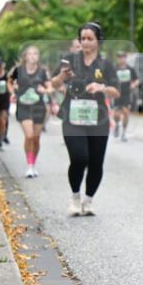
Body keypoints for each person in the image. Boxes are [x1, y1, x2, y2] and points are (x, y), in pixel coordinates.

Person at [49, 23, 120, 216]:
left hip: (98, 119)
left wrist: (101, 87)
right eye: (83, 38)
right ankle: (74, 198)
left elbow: (116, 91)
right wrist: (61, 76)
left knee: (96, 162)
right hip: (72, 117)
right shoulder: (69, 60)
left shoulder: (106, 64)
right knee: (79, 157)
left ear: (98, 41)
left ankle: (88, 201)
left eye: (90, 38)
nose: (85, 42)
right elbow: (53, 84)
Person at [8, 46, 51, 177]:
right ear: (25, 57)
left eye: (35, 54)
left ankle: (33, 164)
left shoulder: (42, 71)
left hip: (38, 107)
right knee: (29, 136)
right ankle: (29, 165)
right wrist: (12, 93)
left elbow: (50, 88)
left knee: (36, 139)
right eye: (30, 54)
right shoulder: (18, 70)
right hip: (23, 106)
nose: (32, 56)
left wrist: (45, 90)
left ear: (38, 57)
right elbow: (9, 82)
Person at [111, 51, 139, 141]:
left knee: (126, 112)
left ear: (126, 58)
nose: (122, 59)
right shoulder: (114, 69)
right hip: (116, 94)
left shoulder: (130, 69)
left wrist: (133, 85)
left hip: (126, 94)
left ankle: (123, 133)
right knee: (116, 114)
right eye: (120, 57)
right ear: (117, 59)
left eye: (123, 57)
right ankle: (117, 124)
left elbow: (136, 80)